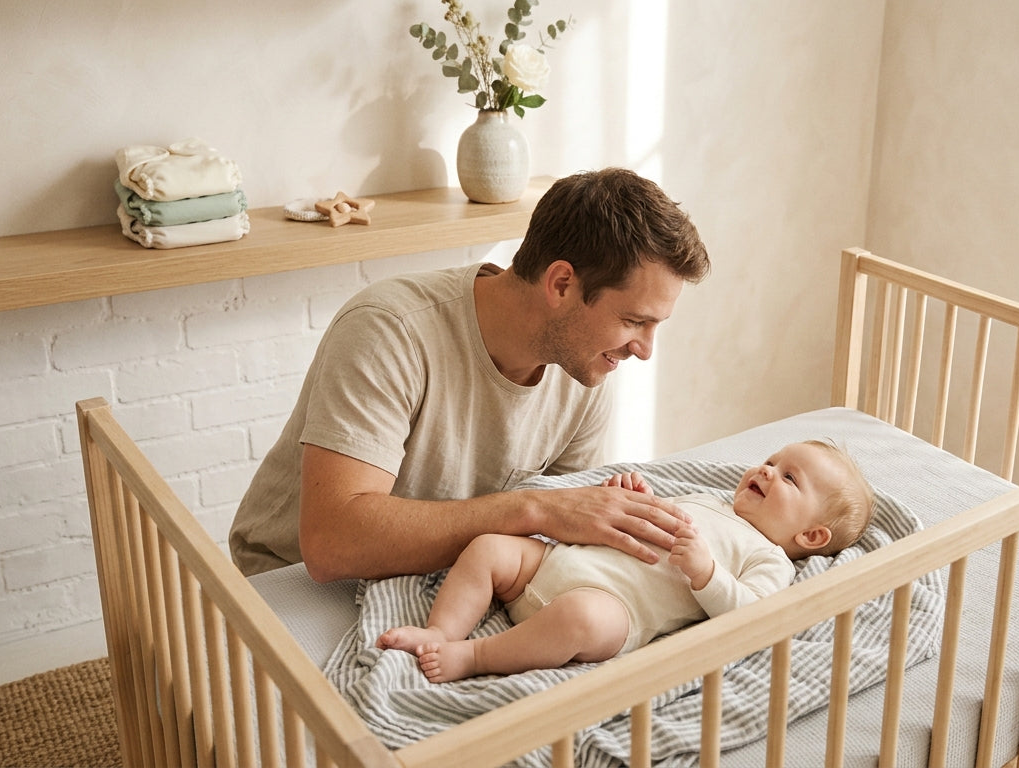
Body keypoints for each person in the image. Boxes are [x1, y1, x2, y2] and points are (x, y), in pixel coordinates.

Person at [229, 168, 711, 580]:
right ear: (561, 284)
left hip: (447, 575)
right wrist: (533, 509)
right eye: (633, 321)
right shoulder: (389, 332)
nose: (644, 350)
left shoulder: (583, 368)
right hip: (289, 583)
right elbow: (331, 543)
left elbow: (567, 529)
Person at [376, 440, 876, 683]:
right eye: (772, 461)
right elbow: (648, 518)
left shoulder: (770, 559)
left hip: (613, 607)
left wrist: (706, 573)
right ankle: (443, 632)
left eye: (789, 479)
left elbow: (752, 618)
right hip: (559, 563)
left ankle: (474, 658)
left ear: (811, 535)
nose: (767, 470)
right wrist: (635, 496)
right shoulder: (712, 500)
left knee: (578, 618)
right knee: (488, 545)